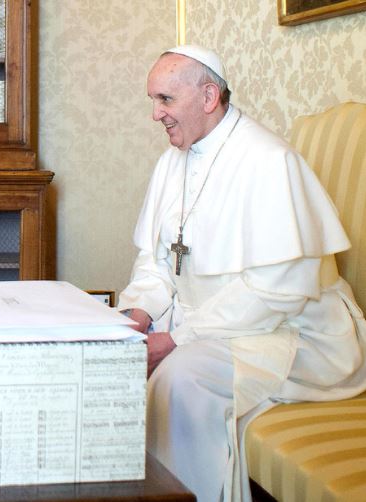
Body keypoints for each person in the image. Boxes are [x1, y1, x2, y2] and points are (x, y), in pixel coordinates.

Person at [117, 45, 366, 502]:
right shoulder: (173, 160)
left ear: (208, 96)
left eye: (165, 100)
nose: (155, 115)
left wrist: (176, 339)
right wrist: (137, 314)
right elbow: (157, 260)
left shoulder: (270, 161)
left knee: (180, 376)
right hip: (214, 323)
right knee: (113, 359)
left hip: (295, 332)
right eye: (153, 100)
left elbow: (275, 294)